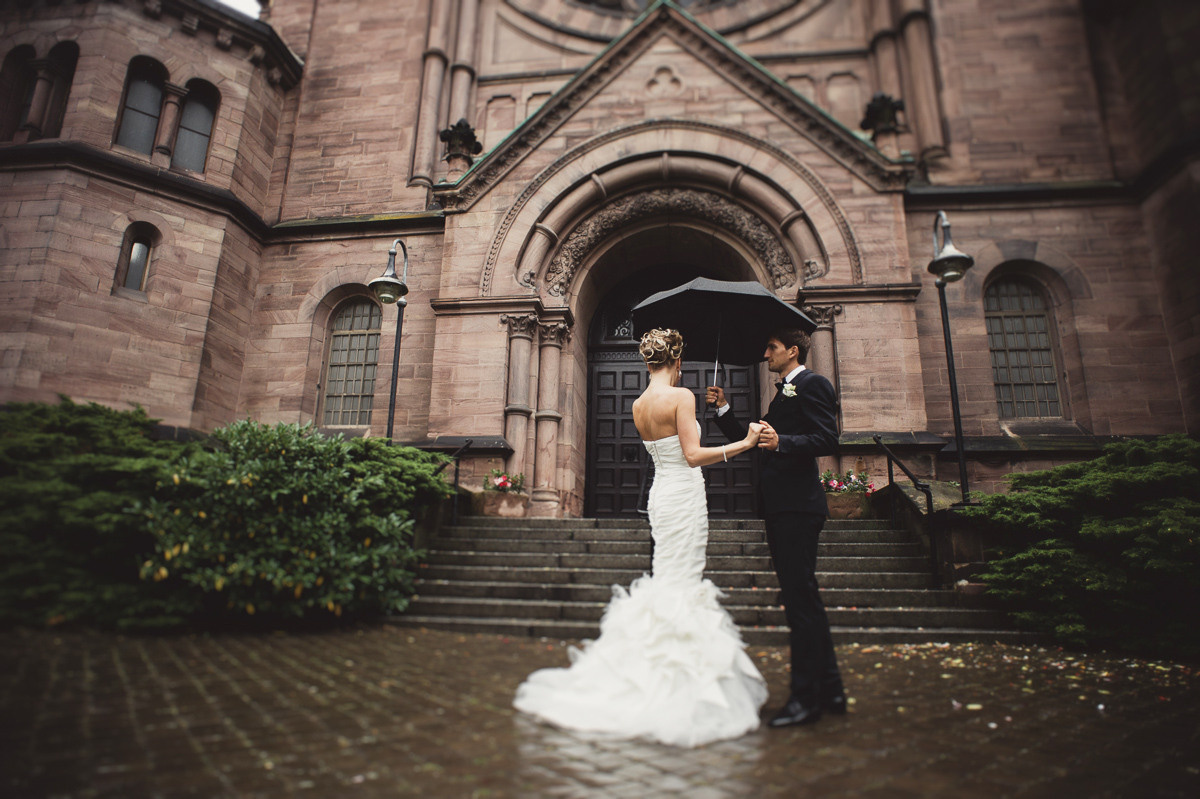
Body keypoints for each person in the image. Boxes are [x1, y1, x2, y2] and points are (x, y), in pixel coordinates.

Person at [513, 328, 768, 747]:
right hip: (683, 494)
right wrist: (744, 442)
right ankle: (680, 685)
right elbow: (691, 456)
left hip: (660, 497)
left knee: (669, 578)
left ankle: (657, 669)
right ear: (677, 359)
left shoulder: (637, 404)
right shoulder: (681, 397)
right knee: (683, 581)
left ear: (648, 361)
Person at [706, 328, 846, 727]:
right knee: (806, 601)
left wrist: (782, 441)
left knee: (800, 604)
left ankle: (805, 700)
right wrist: (723, 410)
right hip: (784, 506)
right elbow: (752, 440)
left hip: (797, 508)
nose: (765, 353)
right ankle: (831, 689)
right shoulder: (783, 390)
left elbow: (826, 438)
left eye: (771, 347)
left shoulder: (812, 383)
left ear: (792, 350)